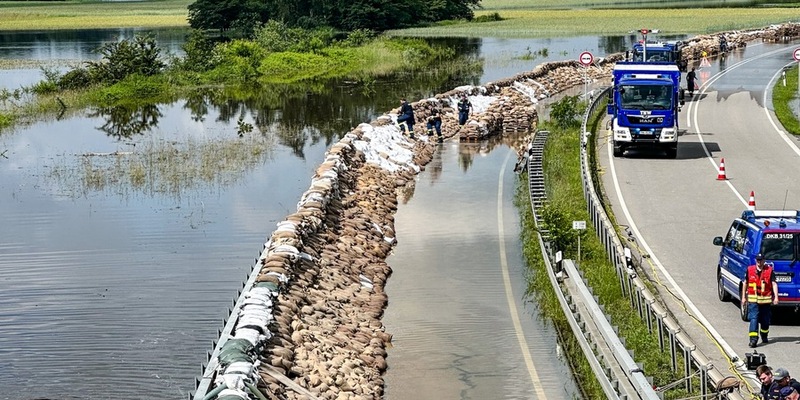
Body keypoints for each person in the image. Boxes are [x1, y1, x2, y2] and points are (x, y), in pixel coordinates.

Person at [741, 253, 778, 348]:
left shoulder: (769, 271)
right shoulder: (750, 270)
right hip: (753, 300)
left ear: (764, 260)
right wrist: (743, 297)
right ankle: (753, 340)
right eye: (757, 260)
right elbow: (745, 283)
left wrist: (776, 297)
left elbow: (774, 284)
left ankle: (764, 335)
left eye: (761, 260)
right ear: (755, 260)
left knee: (765, 320)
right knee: (754, 318)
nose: (759, 262)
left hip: (766, 300)